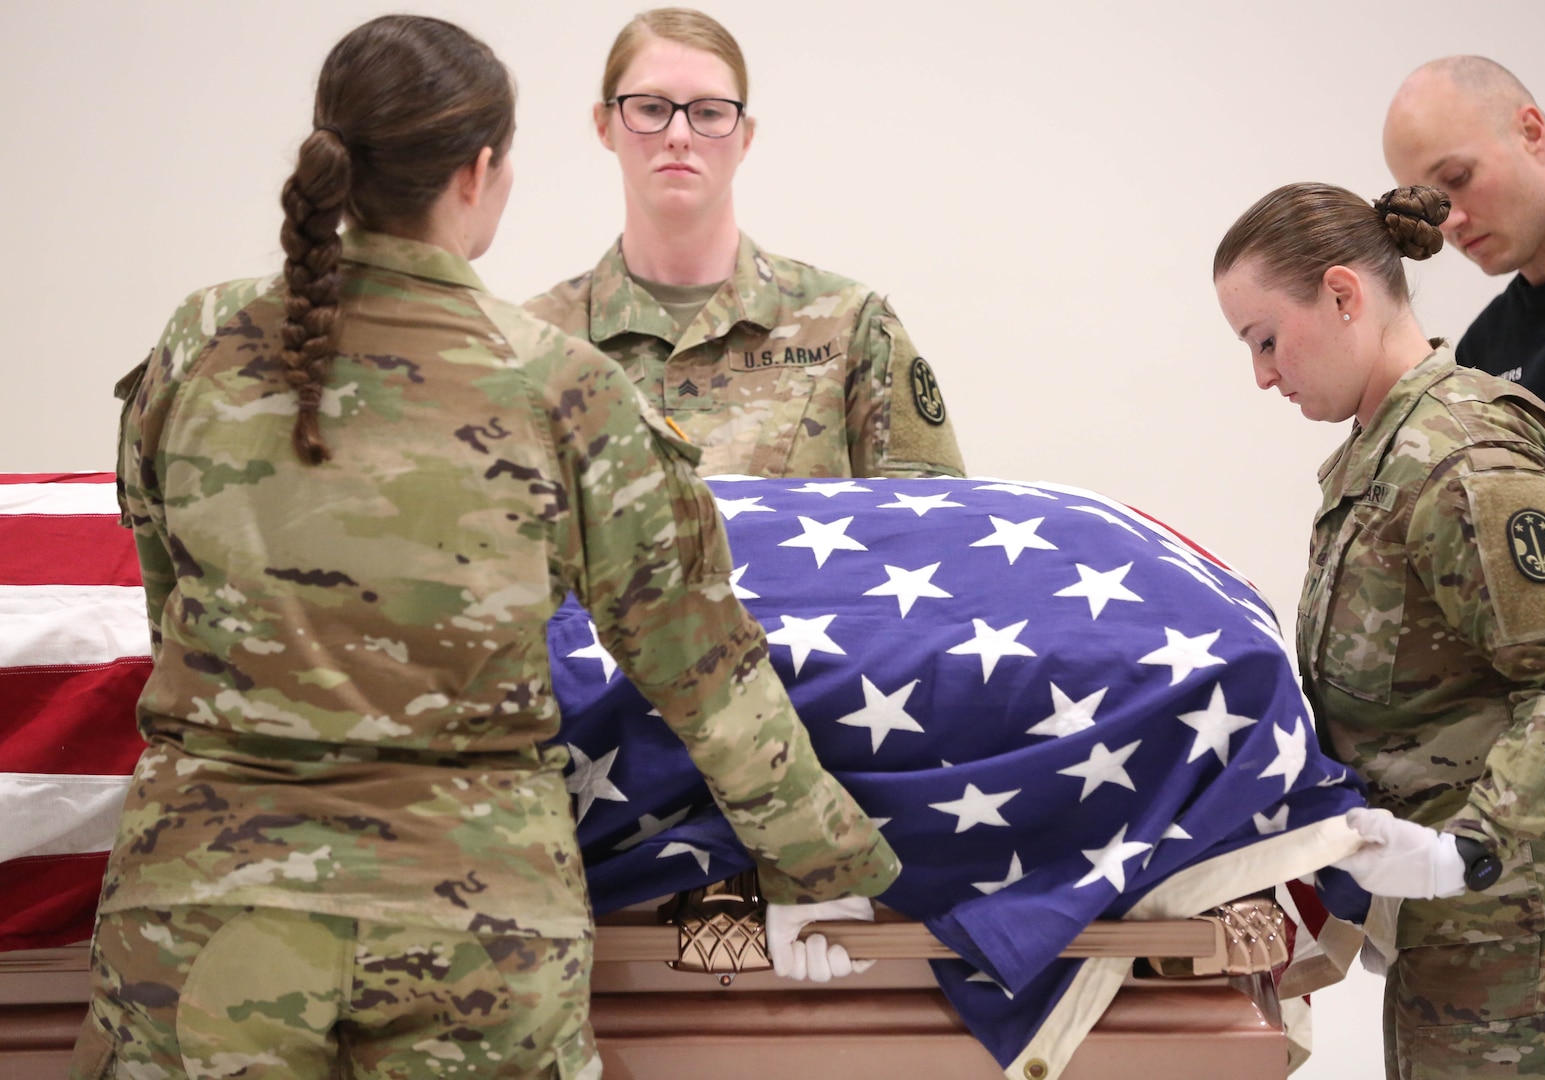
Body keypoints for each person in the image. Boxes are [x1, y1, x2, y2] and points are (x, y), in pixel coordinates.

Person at [70, 15, 899, 1079]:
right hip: (473, 929)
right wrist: (817, 859)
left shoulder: (200, 341)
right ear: (480, 170)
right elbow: (696, 662)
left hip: (199, 912)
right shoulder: (560, 383)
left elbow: (168, 592)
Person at [1213, 182, 1545, 1079]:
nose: (1264, 376)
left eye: (1267, 340)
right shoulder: (1385, 452)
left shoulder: (1464, 458)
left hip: (1533, 941)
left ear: (1344, 294)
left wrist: (1466, 850)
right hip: (1467, 931)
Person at [525, 7, 965, 480]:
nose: (678, 135)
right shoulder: (533, 341)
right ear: (603, 124)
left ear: (745, 136)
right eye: (650, 108)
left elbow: (931, 529)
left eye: (709, 112)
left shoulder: (849, 328)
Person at [1383, 56, 1545, 597]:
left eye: (1458, 179)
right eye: (1429, 205)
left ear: (1531, 131)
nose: (1453, 220)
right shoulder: (1482, 352)